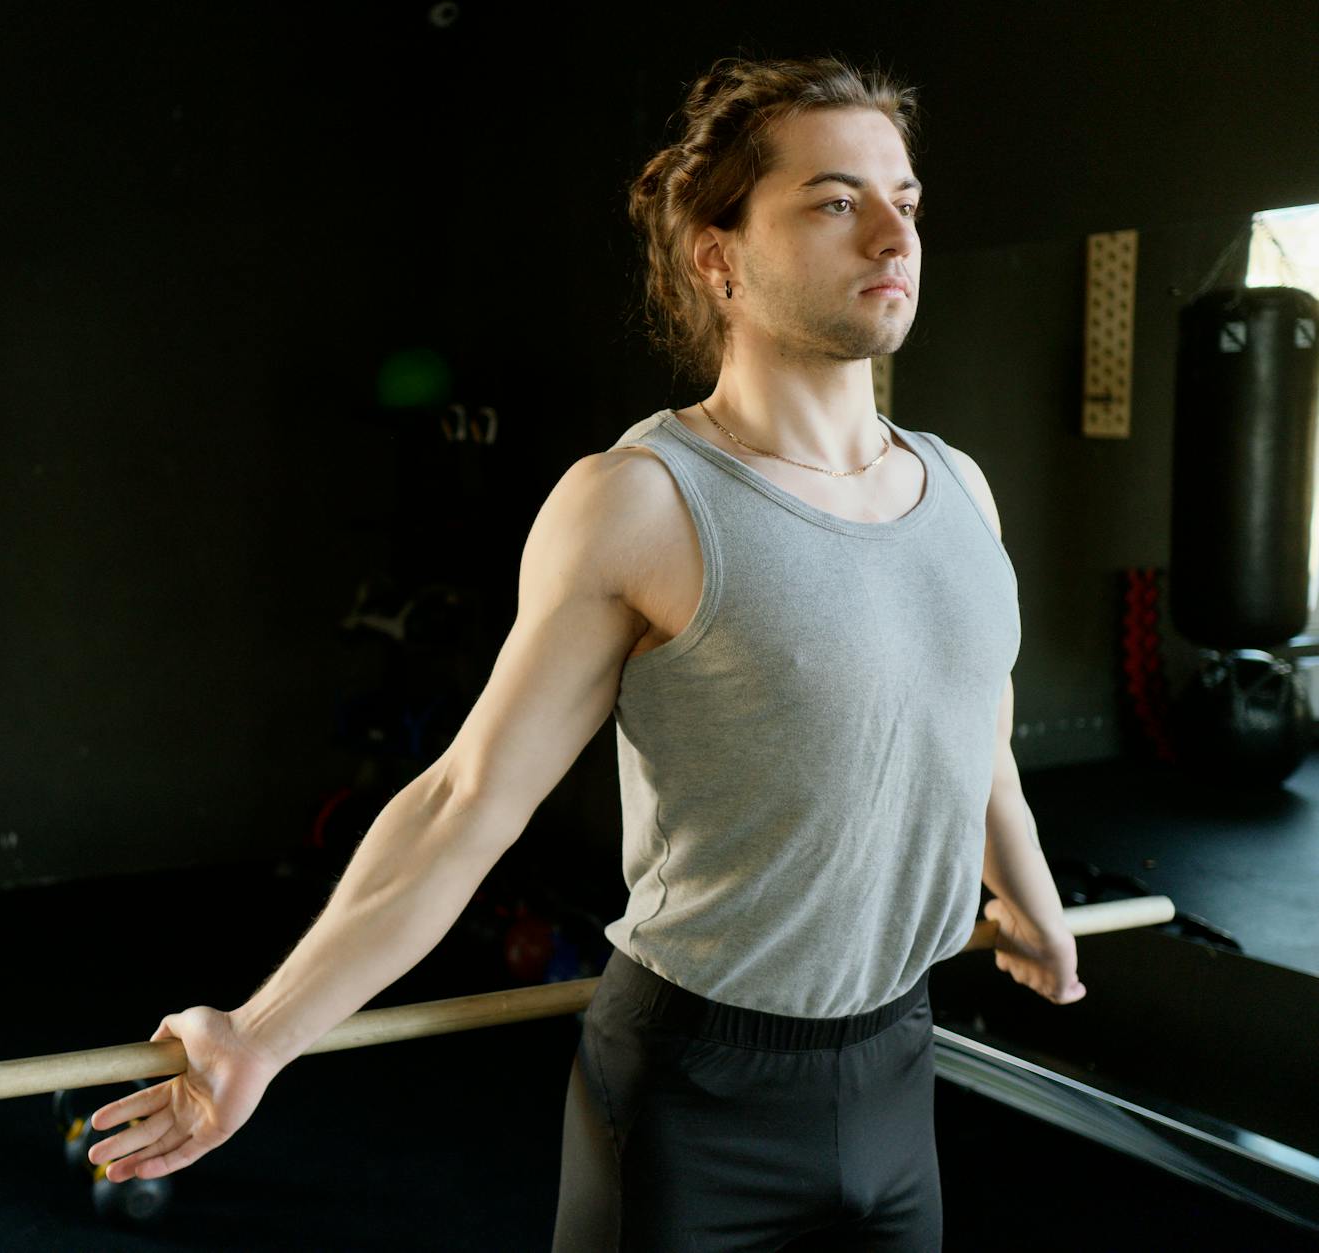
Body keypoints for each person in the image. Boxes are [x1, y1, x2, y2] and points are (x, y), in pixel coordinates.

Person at [83, 53, 1085, 1251]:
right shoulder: (644, 502)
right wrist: (263, 1028)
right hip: (692, 1092)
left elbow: (972, 720)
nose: (892, 234)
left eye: (904, 200)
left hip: (895, 1067)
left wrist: (1020, 887)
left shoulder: (958, 488)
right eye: (834, 199)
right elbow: (463, 799)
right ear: (719, 257)